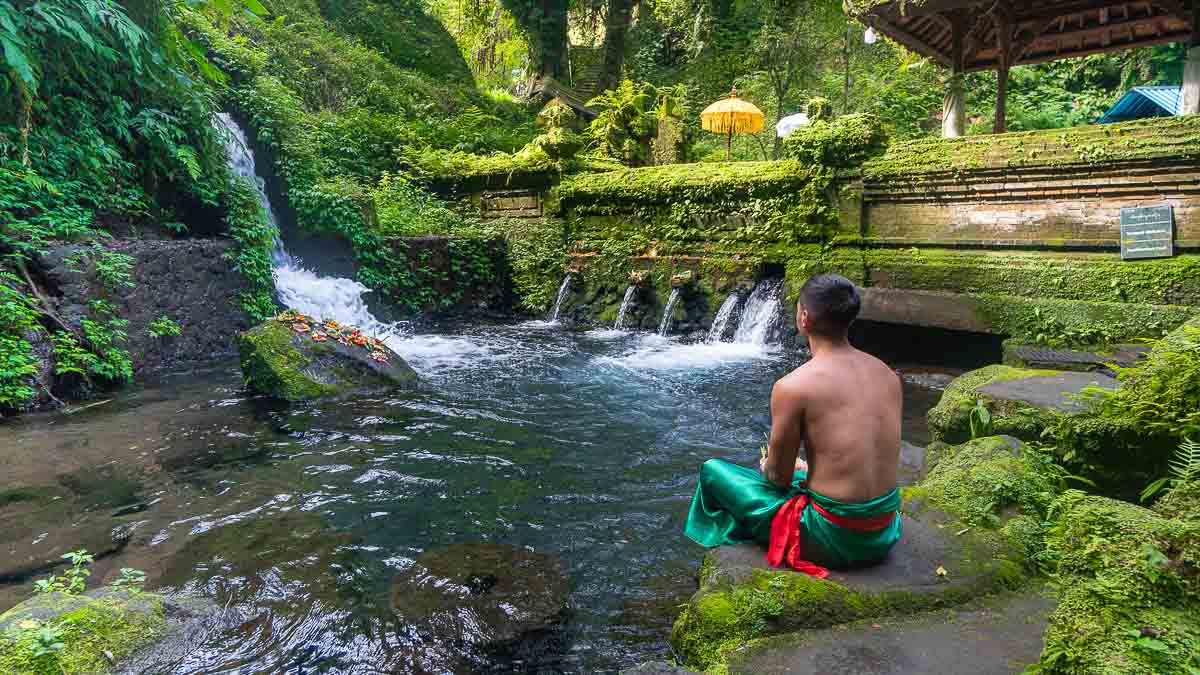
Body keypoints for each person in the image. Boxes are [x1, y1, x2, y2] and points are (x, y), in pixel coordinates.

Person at [683, 274, 903, 577]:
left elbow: (777, 480)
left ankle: (737, 545)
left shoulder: (794, 386)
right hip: (884, 529)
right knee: (802, 480)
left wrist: (770, 467)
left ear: (804, 317)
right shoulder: (887, 374)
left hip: (833, 535)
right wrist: (806, 470)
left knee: (713, 472)